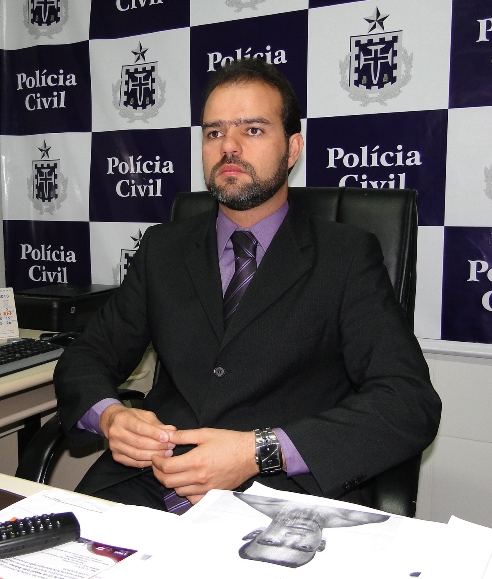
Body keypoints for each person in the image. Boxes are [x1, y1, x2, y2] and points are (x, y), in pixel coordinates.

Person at [53, 58, 441, 511]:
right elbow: (87, 356)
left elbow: (408, 402)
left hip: (278, 496)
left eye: (252, 130)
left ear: (292, 149)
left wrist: (260, 450)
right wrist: (110, 416)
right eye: (214, 133)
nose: (229, 147)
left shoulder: (346, 256)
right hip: (149, 482)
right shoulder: (163, 248)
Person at [234, 493, 388, 568]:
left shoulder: (245, 495)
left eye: (271, 541)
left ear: (256, 533)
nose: (295, 536)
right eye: (304, 547)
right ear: (320, 544)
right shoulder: (369, 516)